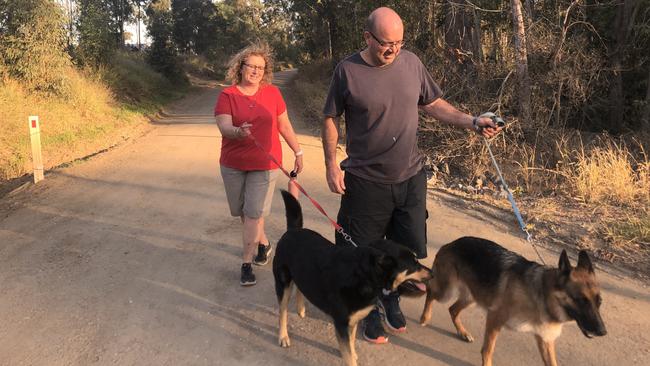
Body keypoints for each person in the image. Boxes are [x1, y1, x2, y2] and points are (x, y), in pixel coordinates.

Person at [321, 7, 502, 344]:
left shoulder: (412, 63)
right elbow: (330, 117)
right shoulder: (347, 71)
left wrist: (472, 121)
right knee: (364, 253)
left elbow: (433, 103)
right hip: (365, 180)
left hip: (410, 178)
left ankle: (390, 296)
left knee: (408, 251)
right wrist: (331, 164)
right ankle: (369, 308)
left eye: (399, 43)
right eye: (386, 43)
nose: (393, 50)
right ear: (367, 37)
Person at [215, 43, 303, 286]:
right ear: (240, 67)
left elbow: (284, 126)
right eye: (251, 66)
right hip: (232, 163)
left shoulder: (273, 94)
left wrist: (298, 150)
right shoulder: (228, 95)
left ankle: (246, 263)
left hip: (265, 163)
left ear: (266, 72)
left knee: (254, 213)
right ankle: (263, 244)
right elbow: (223, 126)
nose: (255, 71)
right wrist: (237, 132)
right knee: (243, 211)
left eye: (261, 68)